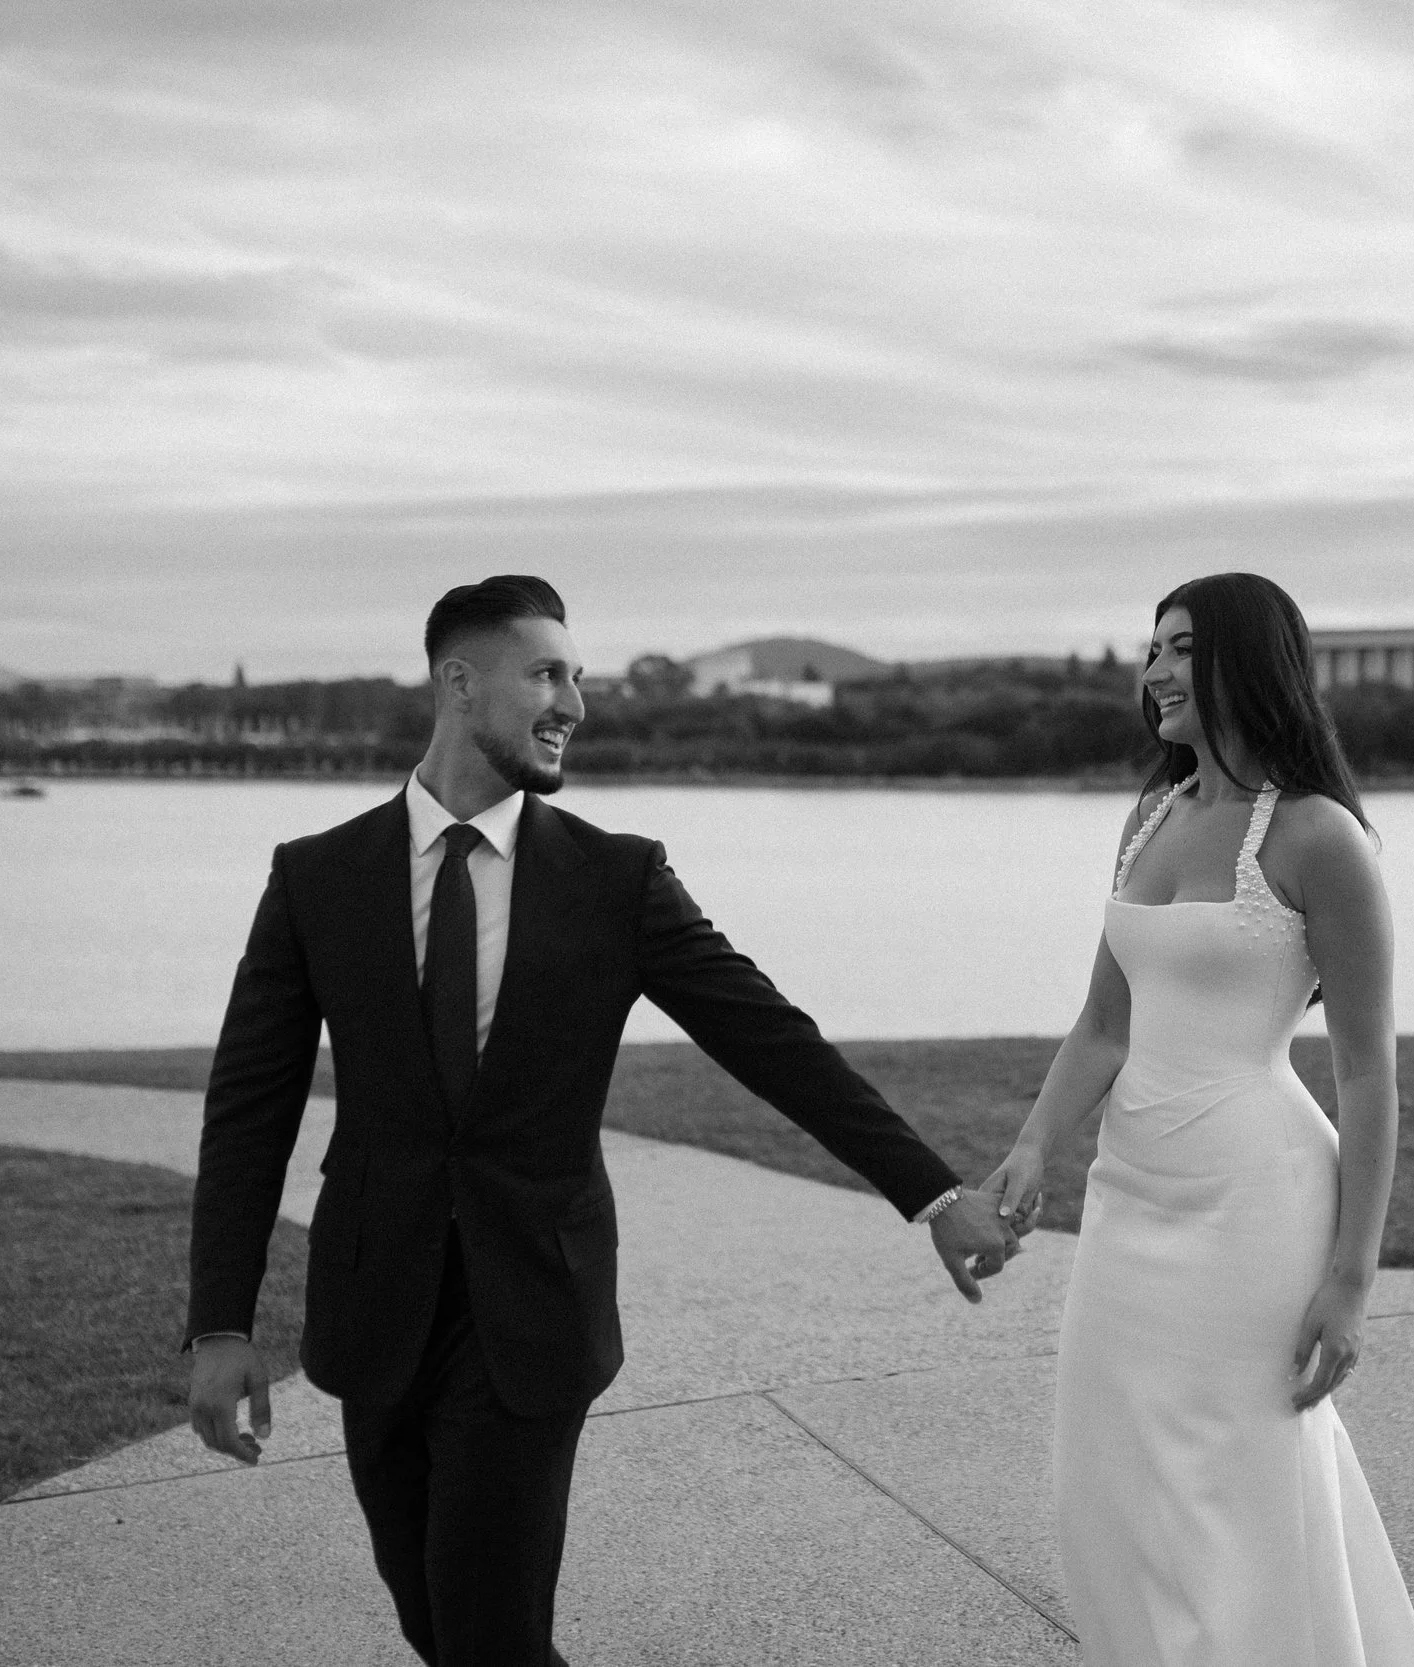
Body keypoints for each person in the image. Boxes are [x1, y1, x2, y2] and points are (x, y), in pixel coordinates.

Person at [180, 575, 1022, 1667]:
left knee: (486, 1630)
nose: (575, 701)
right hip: (375, 1307)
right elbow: (247, 1108)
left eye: (577, 676)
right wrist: (219, 1322)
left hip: (531, 1308)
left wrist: (932, 1190)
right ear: (457, 680)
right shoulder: (316, 878)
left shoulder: (616, 880)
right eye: (546, 672)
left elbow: (771, 1040)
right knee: (433, 1619)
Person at [984, 572, 1414, 1666]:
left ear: (1248, 660)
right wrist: (1034, 1142)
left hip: (1257, 1201)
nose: (1153, 670)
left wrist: (1350, 1279)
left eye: (1180, 645)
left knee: (1239, 1481)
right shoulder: (1150, 814)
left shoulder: (1320, 838)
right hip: (1130, 1196)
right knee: (1111, 1470)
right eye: (1149, 649)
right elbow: (1102, 1019)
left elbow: (1368, 1072)